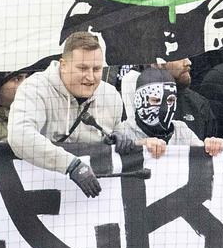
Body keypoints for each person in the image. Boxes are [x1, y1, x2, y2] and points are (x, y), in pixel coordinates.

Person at [8, 31, 132, 197]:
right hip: (40, 192)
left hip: (94, 196)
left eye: (97, 69)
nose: (90, 77)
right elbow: (20, 137)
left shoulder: (111, 95)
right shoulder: (35, 88)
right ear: (63, 65)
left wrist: (120, 137)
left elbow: (119, 133)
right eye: (82, 68)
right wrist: (71, 165)